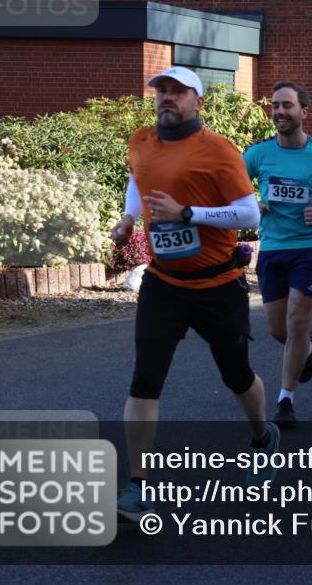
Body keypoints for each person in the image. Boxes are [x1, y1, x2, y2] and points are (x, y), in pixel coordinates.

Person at [112, 67, 275, 521]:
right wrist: (128, 220)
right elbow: (137, 180)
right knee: (145, 380)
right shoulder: (141, 140)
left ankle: (262, 438)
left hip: (218, 285)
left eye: (177, 92)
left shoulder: (218, 150)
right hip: (164, 283)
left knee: (236, 375)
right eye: (161, 91)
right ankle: (136, 486)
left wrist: (187, 213)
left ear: (198, 102)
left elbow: (248, 214)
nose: (166, 98)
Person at [244, 82, 312, 429]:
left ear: (304, 112)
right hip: (272, 247)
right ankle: (306, 350)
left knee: (297, 319)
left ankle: (285, 400)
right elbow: (233, 186)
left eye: (287, 106)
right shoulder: (258, 154)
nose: (279, 112)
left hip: (308, 246)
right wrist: (251, 202)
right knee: (278, 329)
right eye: (275, 106)